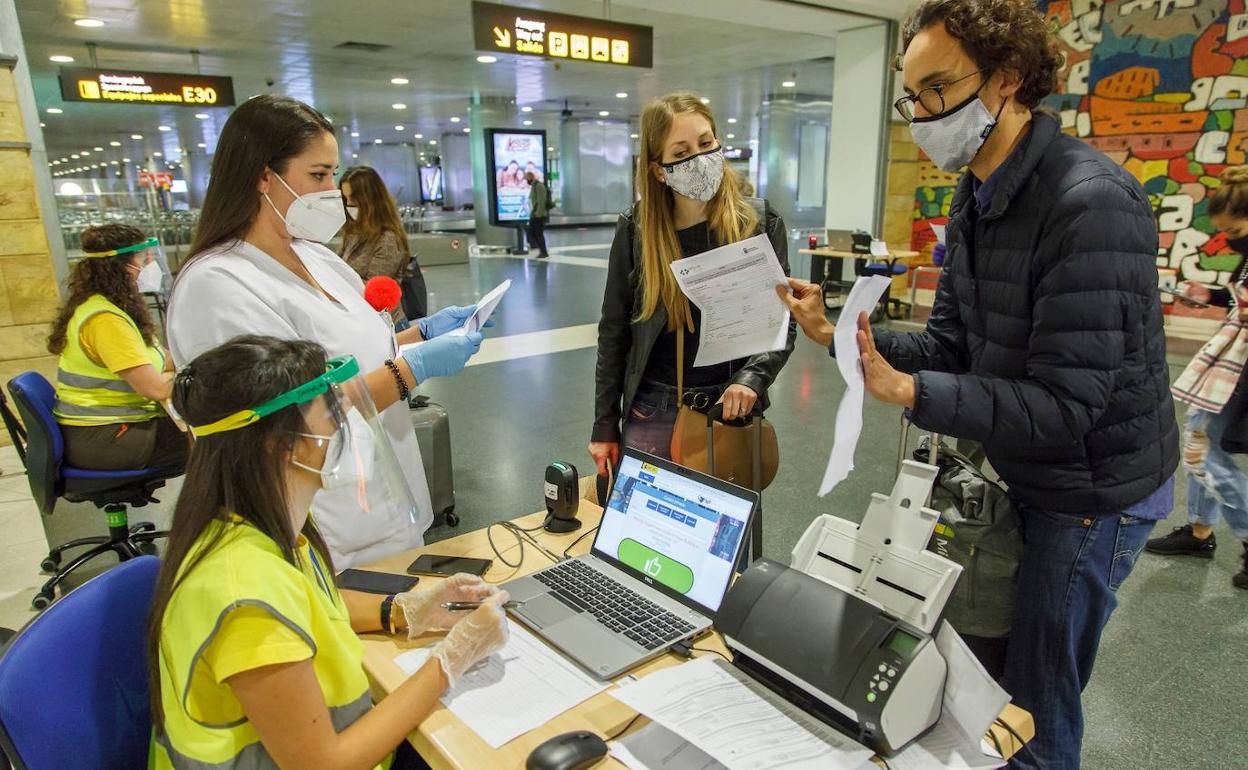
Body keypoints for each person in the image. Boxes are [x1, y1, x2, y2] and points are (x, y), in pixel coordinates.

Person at [777, 2, 1176, 767]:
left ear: (1010, 78)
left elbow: (1068, 405)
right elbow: (950, 343)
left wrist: (914, 394)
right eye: (912, 95)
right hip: (1019, 465)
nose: (921, 113)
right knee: (983, 682)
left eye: (937, 89)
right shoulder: (976, 194)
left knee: (1033, 697)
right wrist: (843, 337)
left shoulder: (1090, 204)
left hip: (1091, 491)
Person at [147, 335, 508, 769]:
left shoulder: (260, 524)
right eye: (331, 417)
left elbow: (314, 605)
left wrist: (407, 609)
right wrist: (451, 660)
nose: (343, 429)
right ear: (282, 444)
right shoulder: (242, 595)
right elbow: (323, 764)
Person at [166, 95, 485, 568]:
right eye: (318, 175)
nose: (331, 191)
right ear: (261, 175)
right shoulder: (217, 285)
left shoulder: (316, 255)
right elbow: (290, 416)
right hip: (324, 524)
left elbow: (350, 350)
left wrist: (418, 335)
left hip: (388, 496)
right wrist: (408, 372)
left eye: (333, 174)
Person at [590, 92, 795, 479]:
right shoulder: (638, 230)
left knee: (723, 536)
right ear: (657, 169)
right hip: (652, 409)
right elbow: (614, 332)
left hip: (729, 411)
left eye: (706, 143)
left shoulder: (759, 222)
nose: (699, 159)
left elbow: (783, 319)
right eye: (681, 152)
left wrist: (752, 380)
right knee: (647, 533)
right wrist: (604, 425)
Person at [1146, 165, 1248, 589]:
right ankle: (1200, 532)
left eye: (1236, 229)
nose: (1232, 238)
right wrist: (1215, 294)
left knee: (1203, 451)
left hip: (1241, 365)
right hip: (1232, 356)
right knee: (1199, 435)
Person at [47, 224, 188, 472]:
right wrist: (193, 378)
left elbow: (159, 359)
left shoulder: (110, 307)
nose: (150, 266)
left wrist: (197, 360)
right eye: (144, 259)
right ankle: (217, 511)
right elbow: (154, 388)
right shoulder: (105, 320)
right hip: (105, 437)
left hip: (105, 429)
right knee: (218, 444)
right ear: (121, 267)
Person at [340, 165, 427, 319]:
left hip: (386, 323)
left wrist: (333, 282)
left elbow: (373, 289)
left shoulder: (388, 238)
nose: (349, 205)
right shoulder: (354, 232)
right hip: (361, 318)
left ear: (370, 199)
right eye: (345, 199)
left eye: (354, 199)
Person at [525, 170, 550, 259]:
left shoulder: (539, 186)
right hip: (534, 214)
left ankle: (543, 251)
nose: (526, 181)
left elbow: (541, 201)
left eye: (526, 179)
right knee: (531, 232)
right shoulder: (534, 186)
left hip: (539, 215)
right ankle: (540, 249)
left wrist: (538, 214)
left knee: (538, 233)